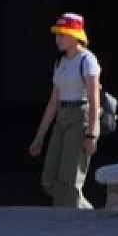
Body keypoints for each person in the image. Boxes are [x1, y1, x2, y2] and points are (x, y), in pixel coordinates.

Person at [29, 13, 105, 210]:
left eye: (63, 34)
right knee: (49, 178)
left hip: (80, 117)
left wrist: (92, 135)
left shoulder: (87, 60)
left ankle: (69, 221)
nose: (58, 39)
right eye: (57, 35)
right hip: (62, 117)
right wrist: (39, 136)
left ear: (75, 36)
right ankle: (86, 211)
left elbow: (94, 99)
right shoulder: (60, 63)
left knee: (69, 182)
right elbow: (53, 102)